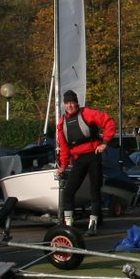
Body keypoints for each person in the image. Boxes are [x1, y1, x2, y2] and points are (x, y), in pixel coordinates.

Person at [56, 90, 117, 226]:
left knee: (94, 191)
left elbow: (109, 122)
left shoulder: (87, 113)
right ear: (64, 104)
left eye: (72, 102)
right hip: (79, 159)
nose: (69, 106)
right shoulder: (62, 123)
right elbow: (64, 147)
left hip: (93, 156)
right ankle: (68, 223)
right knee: (69, 191)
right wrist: (63, 166)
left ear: (76, 103)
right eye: (67, 103)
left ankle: (94, 223)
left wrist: (105, 143)